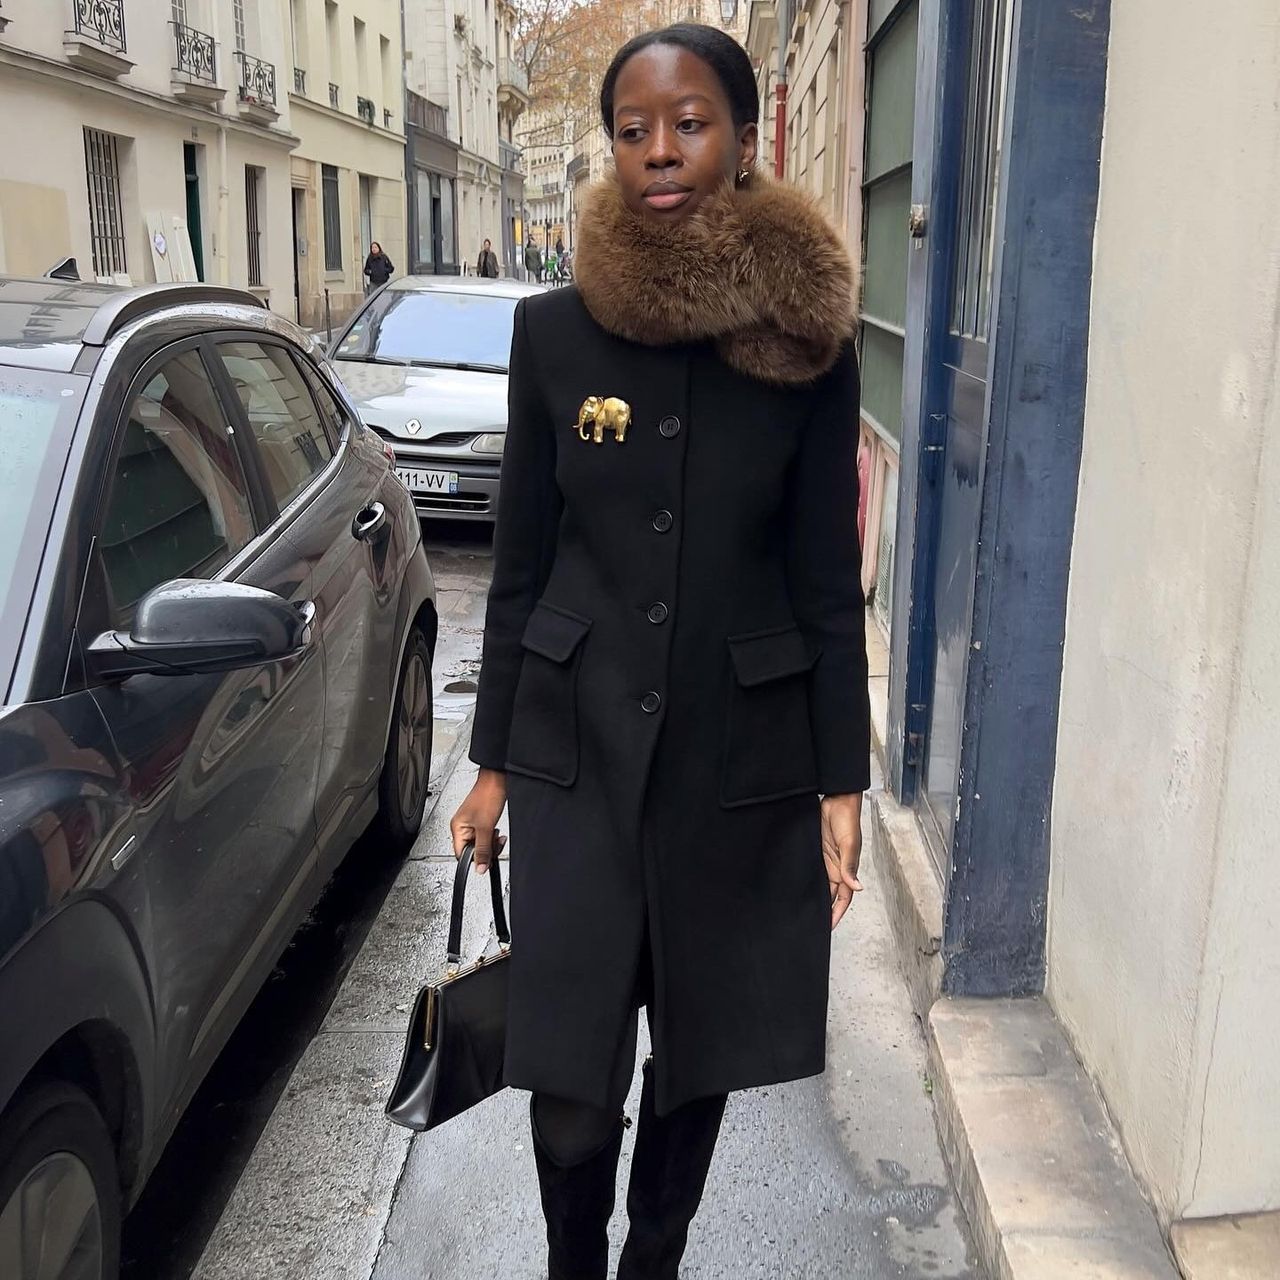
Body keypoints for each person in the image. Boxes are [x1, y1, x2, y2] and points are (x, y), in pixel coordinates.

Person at [451, 21, 869, 1280]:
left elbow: (821, 583)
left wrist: (837, 778)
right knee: (570, 1074)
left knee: (701, 1049)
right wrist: (489, 769)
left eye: (687, 123)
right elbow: (518, 568)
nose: (658, 151)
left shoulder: (807, 344)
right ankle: (575, 1260)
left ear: (740, 138)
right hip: (573, 755)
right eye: (632, 129)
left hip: (736, 757)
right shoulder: (553, 333)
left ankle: (656, 1258)